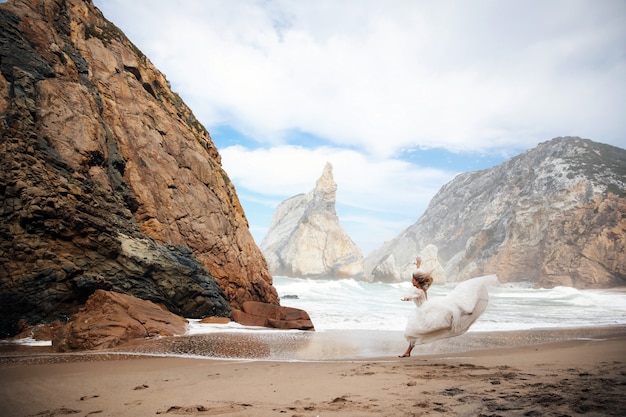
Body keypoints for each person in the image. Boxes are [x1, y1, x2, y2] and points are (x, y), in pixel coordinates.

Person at [399, 259, 498, 358]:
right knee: (419, 331)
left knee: (419, 330)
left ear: (417, 281)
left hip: (425, 312)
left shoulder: (418, 291)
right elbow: (416, 288)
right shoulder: (422, 289)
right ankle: (408, 352)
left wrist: (406, 298)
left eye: (413, 280)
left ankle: (464, 313)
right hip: (424, 311)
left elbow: (413, 296)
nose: (412, 281)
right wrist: (418, 267)